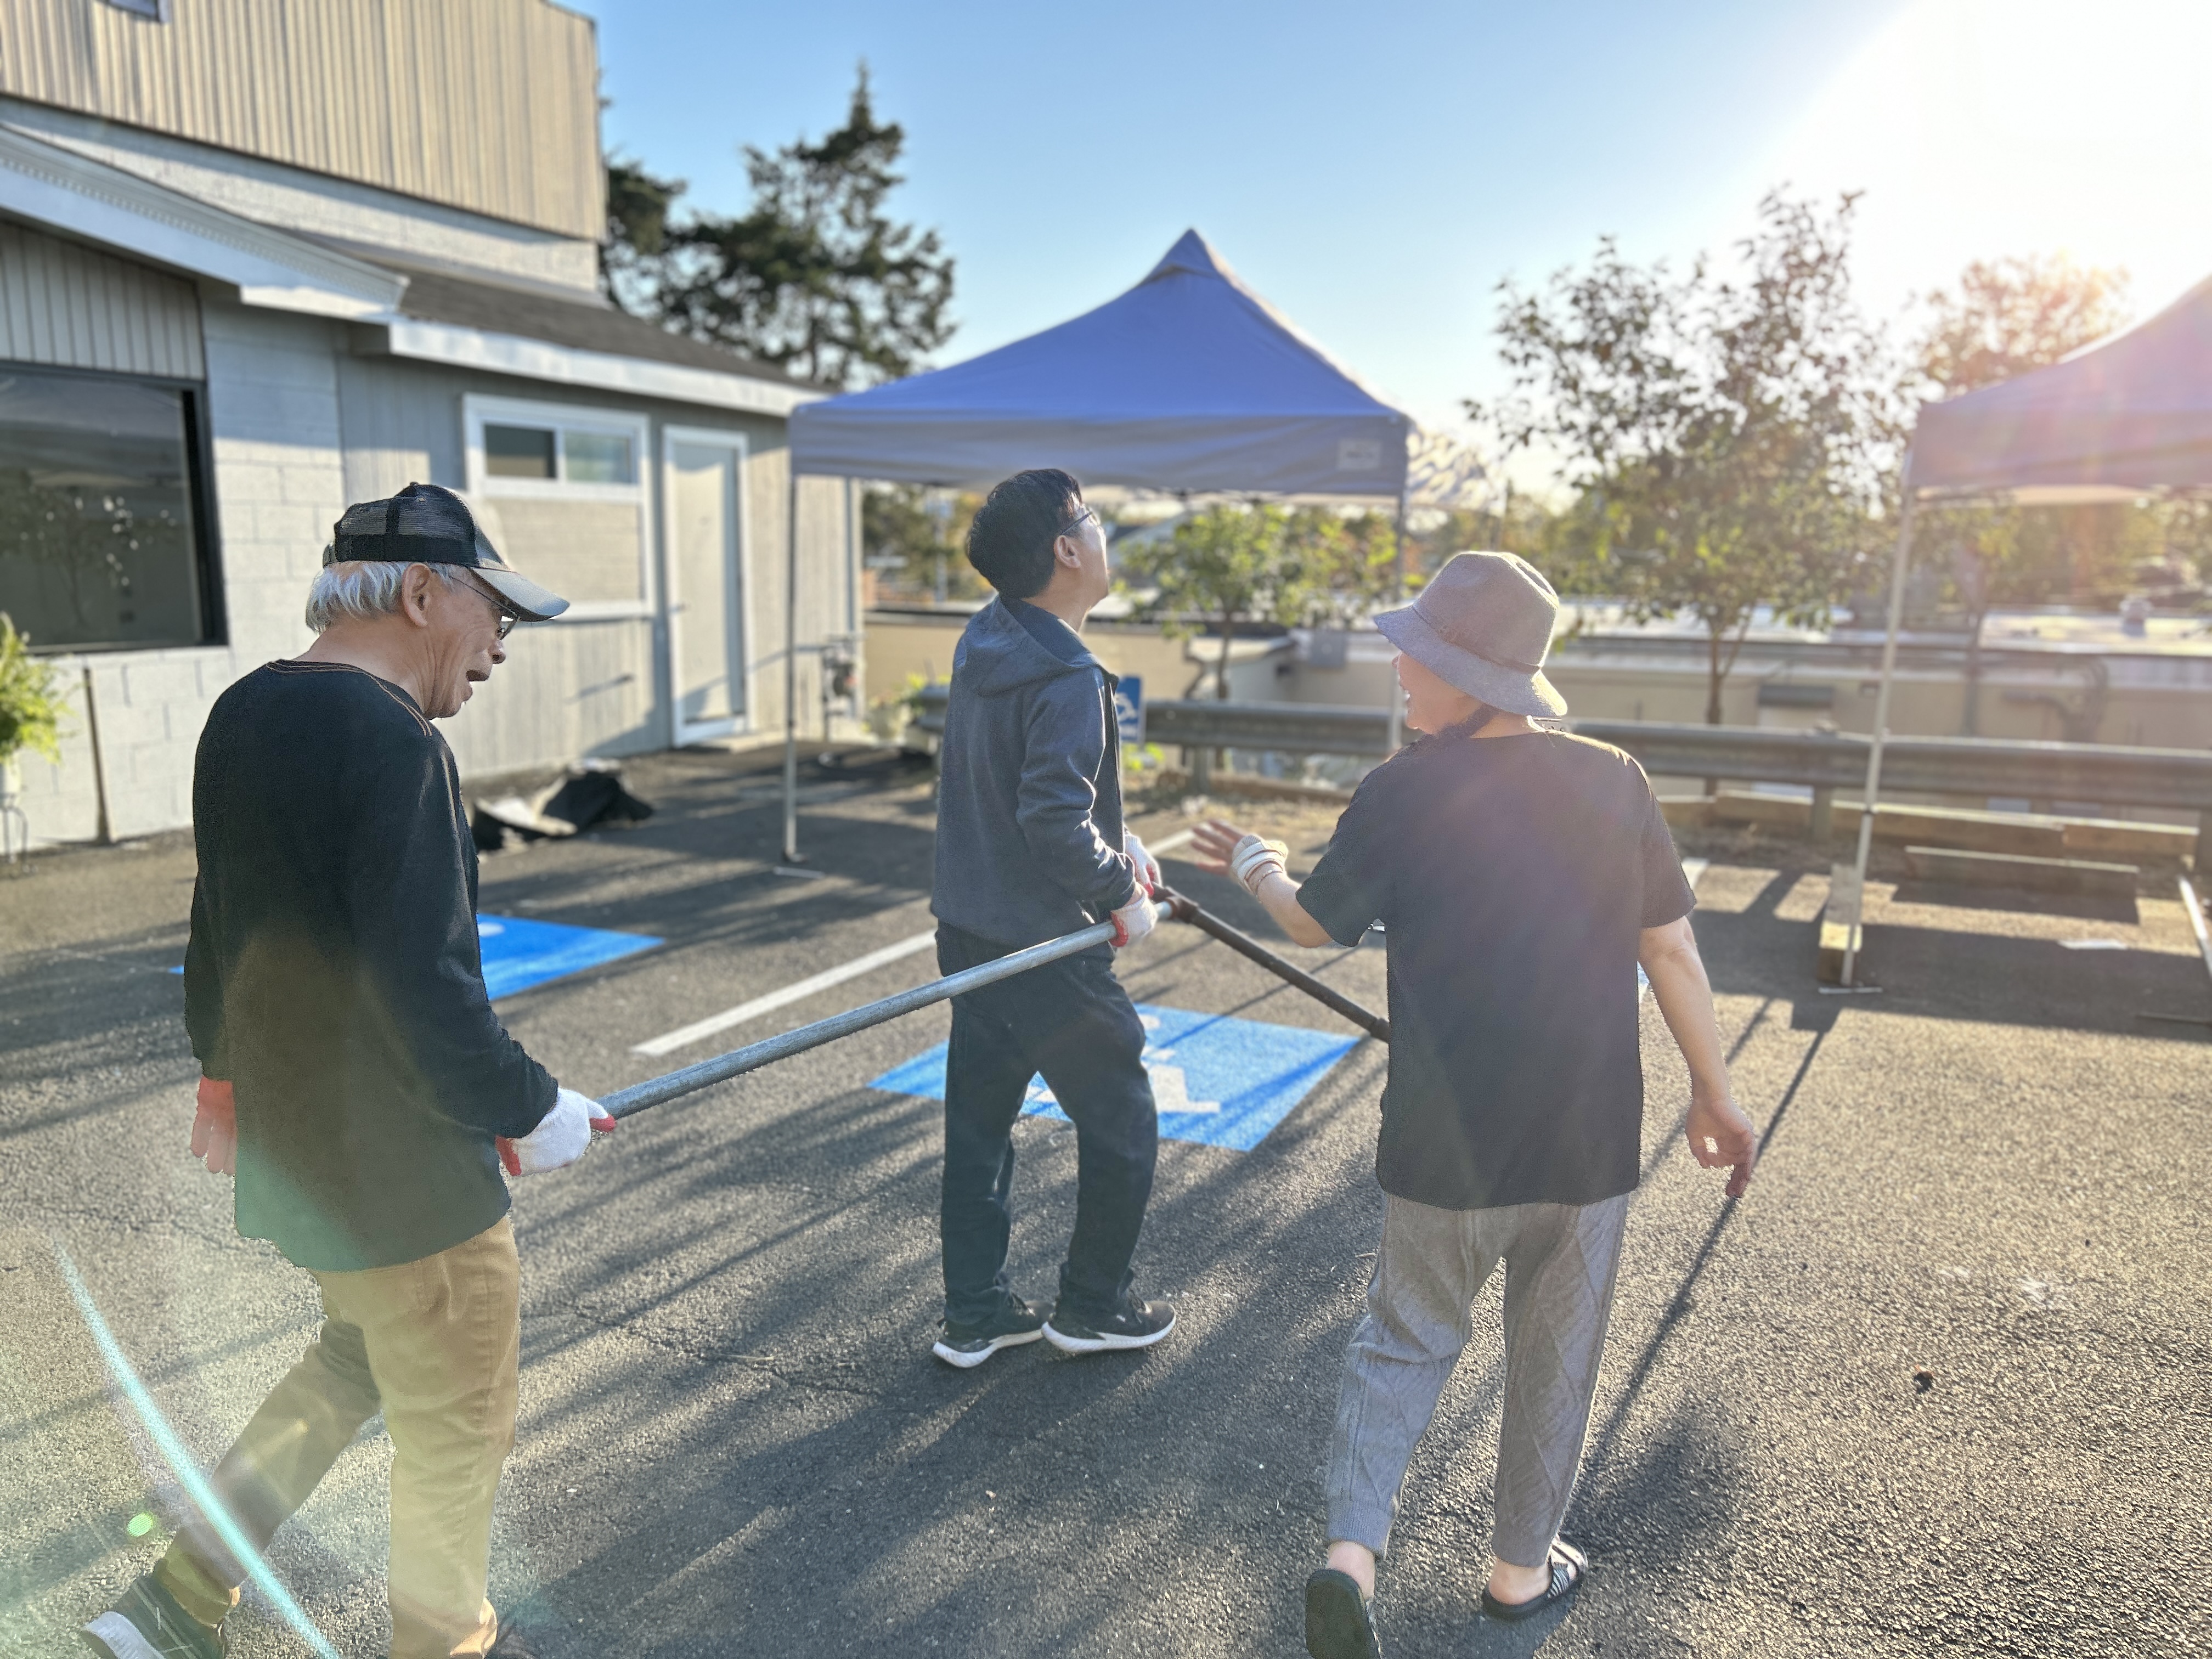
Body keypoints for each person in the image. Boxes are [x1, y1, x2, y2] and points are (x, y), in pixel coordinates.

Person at [1189, 552, 1757, 1658]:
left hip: (1444, 1142)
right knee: (1556, 1362)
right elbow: (1671, 950)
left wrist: (1257, 865)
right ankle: (1517, 1575)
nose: (1401, 669)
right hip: (1586, 1139)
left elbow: (1313, 921)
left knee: (1403, 1341)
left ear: (1469, 675)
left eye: (1419, 655)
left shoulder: (1403, 790)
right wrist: (1716, 1092)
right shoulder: (1613, 780)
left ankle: (1351, 1561)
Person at [83, 484, 612, 1659]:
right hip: (410, 1186)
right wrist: (530, 1105)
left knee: (350, 1365)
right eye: (494, 616)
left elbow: (220, 932)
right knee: (457, 1433)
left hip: (311, 1163)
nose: (500, 648)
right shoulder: (397, 742)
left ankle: (177, 1601)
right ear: (421, 592)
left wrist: (223, 1076)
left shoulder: (245, 712)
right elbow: (424, 990)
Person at [926, 469, 1175, 1368]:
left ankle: (976, 1313)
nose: (1104, 532)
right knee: (1123, 1121)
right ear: (1068, 551)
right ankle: (1094, 1306)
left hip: (969, 930)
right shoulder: (1070, 673)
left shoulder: (988, 635)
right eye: (1093, 520)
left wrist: (1120, 837)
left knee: (979, 1129)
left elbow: (1023, 782)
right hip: (1045, 949)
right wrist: (1121, 895)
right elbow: (1051, 818)